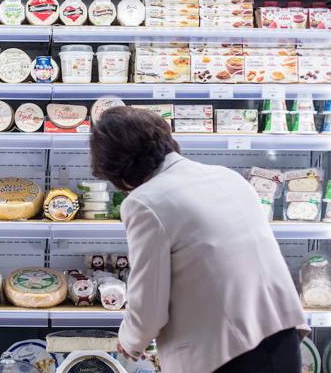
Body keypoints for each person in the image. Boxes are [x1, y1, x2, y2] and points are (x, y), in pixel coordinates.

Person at [89, 106, 309, 373]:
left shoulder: (144, 202)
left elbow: (149, 300)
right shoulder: (228, 177)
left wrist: (131, 340)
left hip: (226, 354)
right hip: (283, 338)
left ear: (118, 168)